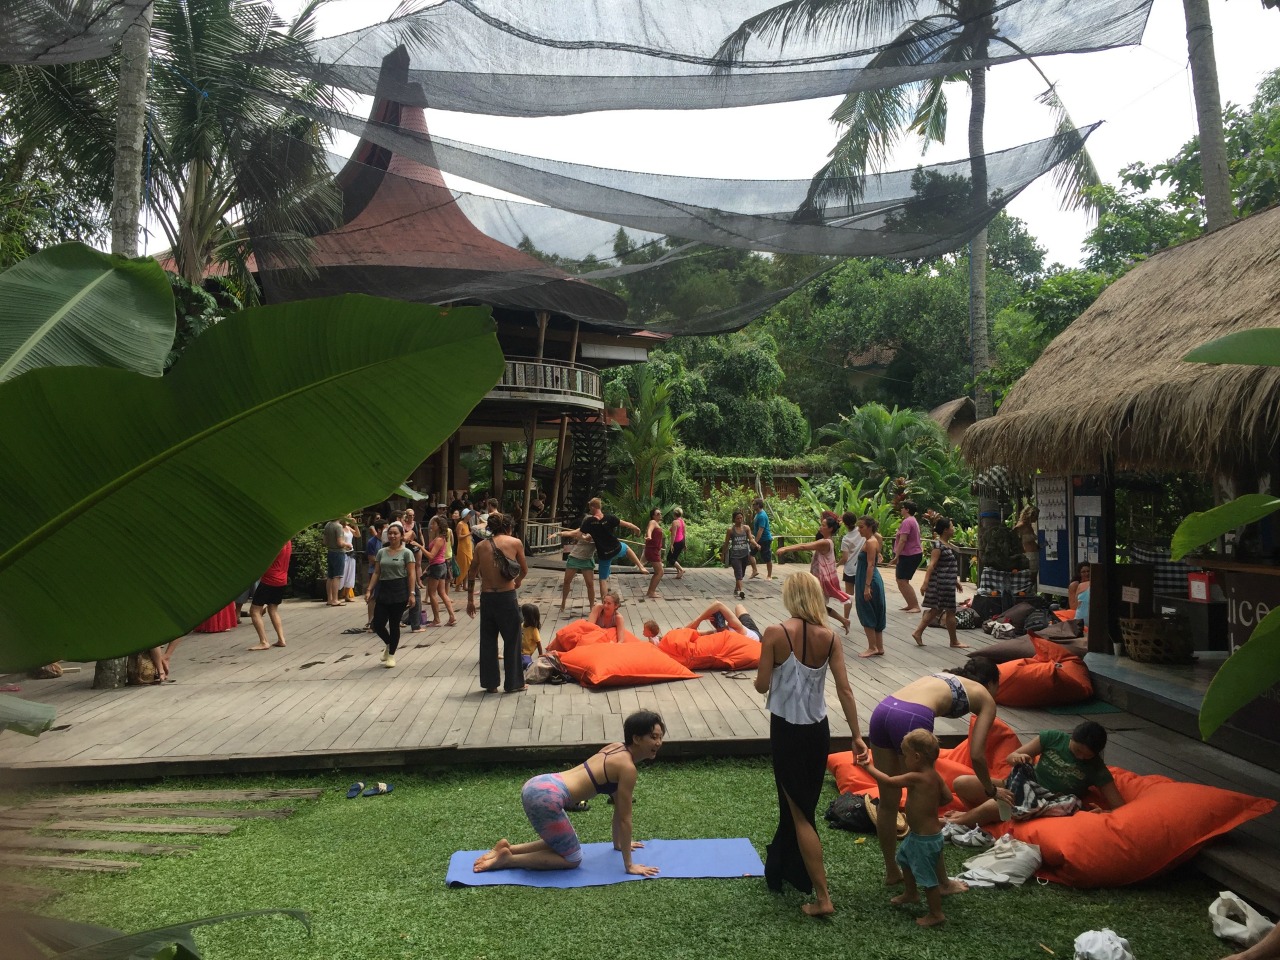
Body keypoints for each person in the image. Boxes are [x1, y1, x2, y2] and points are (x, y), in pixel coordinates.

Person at [756, 572, 867, 916]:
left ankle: (823, 897)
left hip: (787, 731)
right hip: (818, 732)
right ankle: (784, 867)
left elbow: (761, 685)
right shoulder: (830, 637)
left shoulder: (775, 632)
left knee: (800, 813)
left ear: (791, 596)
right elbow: (845, 690)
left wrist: (771, 669)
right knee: (798, 806)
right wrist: (857, 735)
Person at [865, 657, 1003, 892]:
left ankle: (892, 871)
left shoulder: (946, 676)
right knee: (924, 805)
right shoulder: (986, 697)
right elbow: (977, 755)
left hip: (884, 709)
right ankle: (942, 883)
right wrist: (991, 789)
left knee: (888, 801)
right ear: (991, 683)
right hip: (910, 717)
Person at [473, 711, 666, 875]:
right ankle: (508, 860)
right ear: (636, 739)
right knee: (573, 858)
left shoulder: (615, 747)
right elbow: (625, 818)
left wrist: (619, 845)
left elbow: (618, 806)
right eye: (653, 737)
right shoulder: (628, 768)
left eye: (660, 737)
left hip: (540, 783)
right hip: (547, 797)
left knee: (564, 842)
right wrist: (629, 865)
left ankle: (507, 849)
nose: (658, 743)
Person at [946, 721, 1125, 826]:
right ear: (1071, 738)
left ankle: (955, 822)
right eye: (1077, 750)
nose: (1080, 757)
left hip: (1043, 801)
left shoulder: (1097, 768)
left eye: (1087, 756)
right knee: (962, 783)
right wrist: (1019, 758)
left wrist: (1103, 812)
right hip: (1020, 785)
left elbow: (1120, 807)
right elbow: (1010, 757)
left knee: (1000, 805)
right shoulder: (1053, 738)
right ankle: (976, 818)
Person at [859, 729, 950, 928]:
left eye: (906, 755)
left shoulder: (916, 777)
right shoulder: (935, 776)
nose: (904, 760)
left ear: (916, 757)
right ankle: (911, 893)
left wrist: (868, 766)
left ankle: (936, 914)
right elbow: (947, 797)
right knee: (904, 858)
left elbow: (889, 781)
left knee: (927, 877)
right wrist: (930, 806)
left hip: (924, 840)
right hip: (924, 836)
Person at [466, 512, 528, 694]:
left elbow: (471, 572)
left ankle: (490, 684)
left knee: (488, 641)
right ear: (508, 527)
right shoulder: (515, 543)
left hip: (487, 598)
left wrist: (470, 600)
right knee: (512, 640)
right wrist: (517, 582)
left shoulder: (480, 546)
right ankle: (514, 683)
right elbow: (524, 570)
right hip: (506, 596)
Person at [776, 514, 850, 632]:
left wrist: (786, 548)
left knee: (817, 605)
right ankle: (842, 621)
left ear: (830, 528)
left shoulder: (826, 542)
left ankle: (822, 628)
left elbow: (804, 547)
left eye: (823, 525)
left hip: (822, 580)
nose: (820, 527)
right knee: (819, 605)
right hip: (818, 578)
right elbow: (805, 545)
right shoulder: (824, 541)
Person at [562, 498, 647, 595]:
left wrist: (585, 538)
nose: (589, 510)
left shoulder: (589, 521)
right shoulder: (610, 518)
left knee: (602, 580)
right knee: (627, 548)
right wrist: (636, 528)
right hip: (615, 548)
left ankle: (604, 602)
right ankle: (640, 566)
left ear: (593, 507)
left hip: (604, 554)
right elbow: (627, 524)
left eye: (590, 508)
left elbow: (578, 534)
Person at [910, 517, 968, 650]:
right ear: (946, 530)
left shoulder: (947, 545)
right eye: (952, 527)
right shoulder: (938, 546)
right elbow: (932, 565)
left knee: (936, 609)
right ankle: (954, 641)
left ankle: (918, 632)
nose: (953, 529)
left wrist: (955, 582)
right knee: (950, 611)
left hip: (947, 582)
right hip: (941, 584)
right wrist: (925, 583)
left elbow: (947, 566)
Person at [365, 522, 416, 669]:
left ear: (401, 535)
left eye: (396, 533)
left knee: (394, 624)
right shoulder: (382, 552)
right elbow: (376, 572)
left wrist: (412, 593)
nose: (392, 536)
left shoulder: (407, 553)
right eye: (390, 533)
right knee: (378, 624)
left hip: (400, 589)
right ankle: (389, 644)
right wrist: (369, 590)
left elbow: (411, 574)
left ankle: (392, 654)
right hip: (384, 589)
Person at [247, 539, 293, 651]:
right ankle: (281, 639)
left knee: (254, 611)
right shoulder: (288, 541)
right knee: (273, 609)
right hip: (282, 580)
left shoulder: (276, 543)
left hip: (269, 580)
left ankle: (264, 642)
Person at [853, 516, 886, 657]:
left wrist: (867, 586)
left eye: (861, 527)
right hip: (870, 578)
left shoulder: (871, 542)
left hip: (868, 579)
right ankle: (879, 646)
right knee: (875, 609)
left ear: (869, 527)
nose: (858, 530)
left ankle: (872, 647)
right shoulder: (874, 539)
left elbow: (871, 565)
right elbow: (880, 537)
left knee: (866, 609)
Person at [423, 515, 458, 628]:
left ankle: (436, 619)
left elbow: (431, 555)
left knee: (432, 593)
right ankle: (452, 616)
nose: (431, 525)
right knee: (442, 593)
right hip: (441, 565)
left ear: (438, 526)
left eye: (433, 524)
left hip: (437, 567)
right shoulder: (440, 538)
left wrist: (420, 546)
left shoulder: (439, 539)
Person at [892, 501, 924, 613]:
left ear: (907, 510)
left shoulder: (907, 521)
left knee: (902, 580)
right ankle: (910, 604)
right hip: (911, 554)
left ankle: (915, 605)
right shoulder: (912, 520)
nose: (901, 509)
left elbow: (903, 540)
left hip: (909, 555)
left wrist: (896, 555)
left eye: (903, 508)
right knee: (901, 580)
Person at [722, 510, 760, 600]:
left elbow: (751, 539)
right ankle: (741, 591)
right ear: (734, 519)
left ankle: (736, 588)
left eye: (741, 518)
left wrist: (756, 544)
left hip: (745, 554)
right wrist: (723, 554)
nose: (740, 520)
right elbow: (726, 543)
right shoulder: (730, 530)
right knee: (738, 573)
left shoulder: (746, 528)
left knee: (741, 574)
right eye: (737, 518)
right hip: (735, 556)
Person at [685, 599, 763, 641]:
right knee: (739, 606)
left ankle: (729, 615)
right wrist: (701, 618)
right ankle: (729, 615)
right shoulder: (734, 627)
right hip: (751, 632)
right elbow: (717, 605)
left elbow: (687, 630)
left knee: (739, 607)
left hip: (752, 634)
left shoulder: (735, 627)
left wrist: (699, 619)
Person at [839, 511, 865, 630]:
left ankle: (846, 618)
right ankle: (865, 617)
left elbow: (845, 558)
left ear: (844, 524)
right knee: (863, 594)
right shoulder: (862, 532)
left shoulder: (846, 538)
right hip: (861, 567)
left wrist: (837, 564)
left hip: (849, 569)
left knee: (848, 595)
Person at [560, 528, 597, 611]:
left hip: (587, 559)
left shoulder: (599, 532)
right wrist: (559, 534)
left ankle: (592, 606)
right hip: (575, 557)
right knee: (566, 581)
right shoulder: (584, 528)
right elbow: (571, 533)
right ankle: (563, 601)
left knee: (590, 584)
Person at [323, 517, 346, 607]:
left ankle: (329, 599)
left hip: (330, 552)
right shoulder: (338, 526)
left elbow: (325, 542)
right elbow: (340, 543)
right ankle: (335, 599)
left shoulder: (327, 525)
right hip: (338, 552)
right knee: (337, 576)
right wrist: (347, 544)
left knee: (330, 576)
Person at [643, 508, 665, 599]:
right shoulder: (652, 522)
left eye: (660, 513)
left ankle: (650, 591)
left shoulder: (657, 523)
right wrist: (649, 536)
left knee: (658, 572)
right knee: (660, 572)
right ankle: (651, 592)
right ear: (653, 516)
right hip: (652, 550)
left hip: (654, 550)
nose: (660, 515)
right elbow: (650, 530)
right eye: (658, 514)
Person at [1015, 505, 1039, 584]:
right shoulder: (1021, 526)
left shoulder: (1030, 526)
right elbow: (1013, 537)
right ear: (1030, 515)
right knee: (1029, 577)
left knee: (1034, 578)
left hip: (1034, 554)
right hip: (1028, 555)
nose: (1036, 519)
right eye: (1036, 516)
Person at [752, 497, 774, 579]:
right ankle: (755, 571)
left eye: (754, 504)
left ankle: (769, 576)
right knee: (750, 554)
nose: (752, 506)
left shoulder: (762, 516)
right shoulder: (757, 514)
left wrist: (755, 542)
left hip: (764, 540)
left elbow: (761, 530)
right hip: (758, 539)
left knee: (767, 558)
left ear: (758, 505)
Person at [454, 508, 474, 594]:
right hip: (462, 549)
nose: (470, 516)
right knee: (462, 567)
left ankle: (465, 586)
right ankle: (458, 586)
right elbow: (459, 537)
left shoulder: (466, 524)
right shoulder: (460, 524)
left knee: (467, 567)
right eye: (469, 514)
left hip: (468, 547)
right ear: (465, 515)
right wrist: (469, 534)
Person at [340, 516, 358, 601]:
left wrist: (355, 524)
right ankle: (339, 594)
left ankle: (347, 595)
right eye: (348, 517)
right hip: (343, 552)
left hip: (351, 552)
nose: (349, 518)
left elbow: (357, 535)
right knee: (343, 573)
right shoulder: (340, 528)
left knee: (350, 574)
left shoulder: (348, 527)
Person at [521, 604, 544, 670]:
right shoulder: (521, 625)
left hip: (526, 654)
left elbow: (539, 644)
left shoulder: (534, 630)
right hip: (518, 652)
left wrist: (541, 657)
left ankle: (529, 664)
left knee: (525, 663)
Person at [667, 507, 687, 579]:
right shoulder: (682, 521)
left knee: (670, 558)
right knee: (675, 557)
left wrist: (672, 544)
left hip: (677, 541)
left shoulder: (675, 522)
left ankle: (681, 570)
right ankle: (679, 573)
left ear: (674, 514)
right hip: (682, 541)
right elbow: (684, 533)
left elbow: (673, 534)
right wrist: (685, 544)